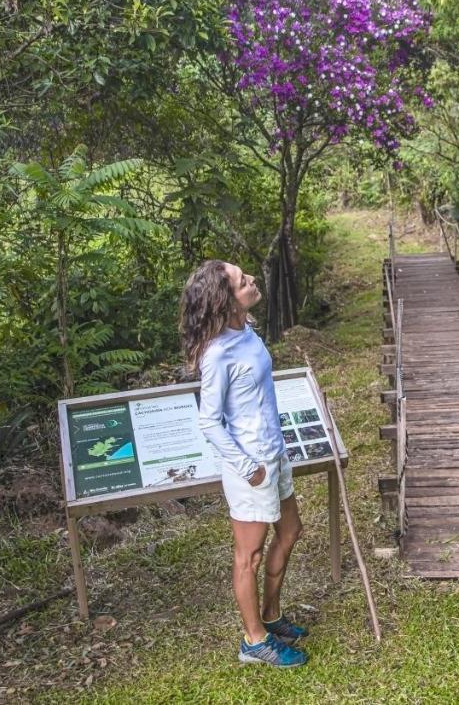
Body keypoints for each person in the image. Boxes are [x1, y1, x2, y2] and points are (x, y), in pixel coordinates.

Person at [180, 259, 308, 668]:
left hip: (275, 452)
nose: (251, 280)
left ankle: (271, 616)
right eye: (242, 282)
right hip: (249, 467)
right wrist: (246, 465)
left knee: (291, 531)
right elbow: (209, 421)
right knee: (247, 557)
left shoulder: (246, 330)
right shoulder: (216, 355)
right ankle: (254, 642)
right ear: (225, 300)